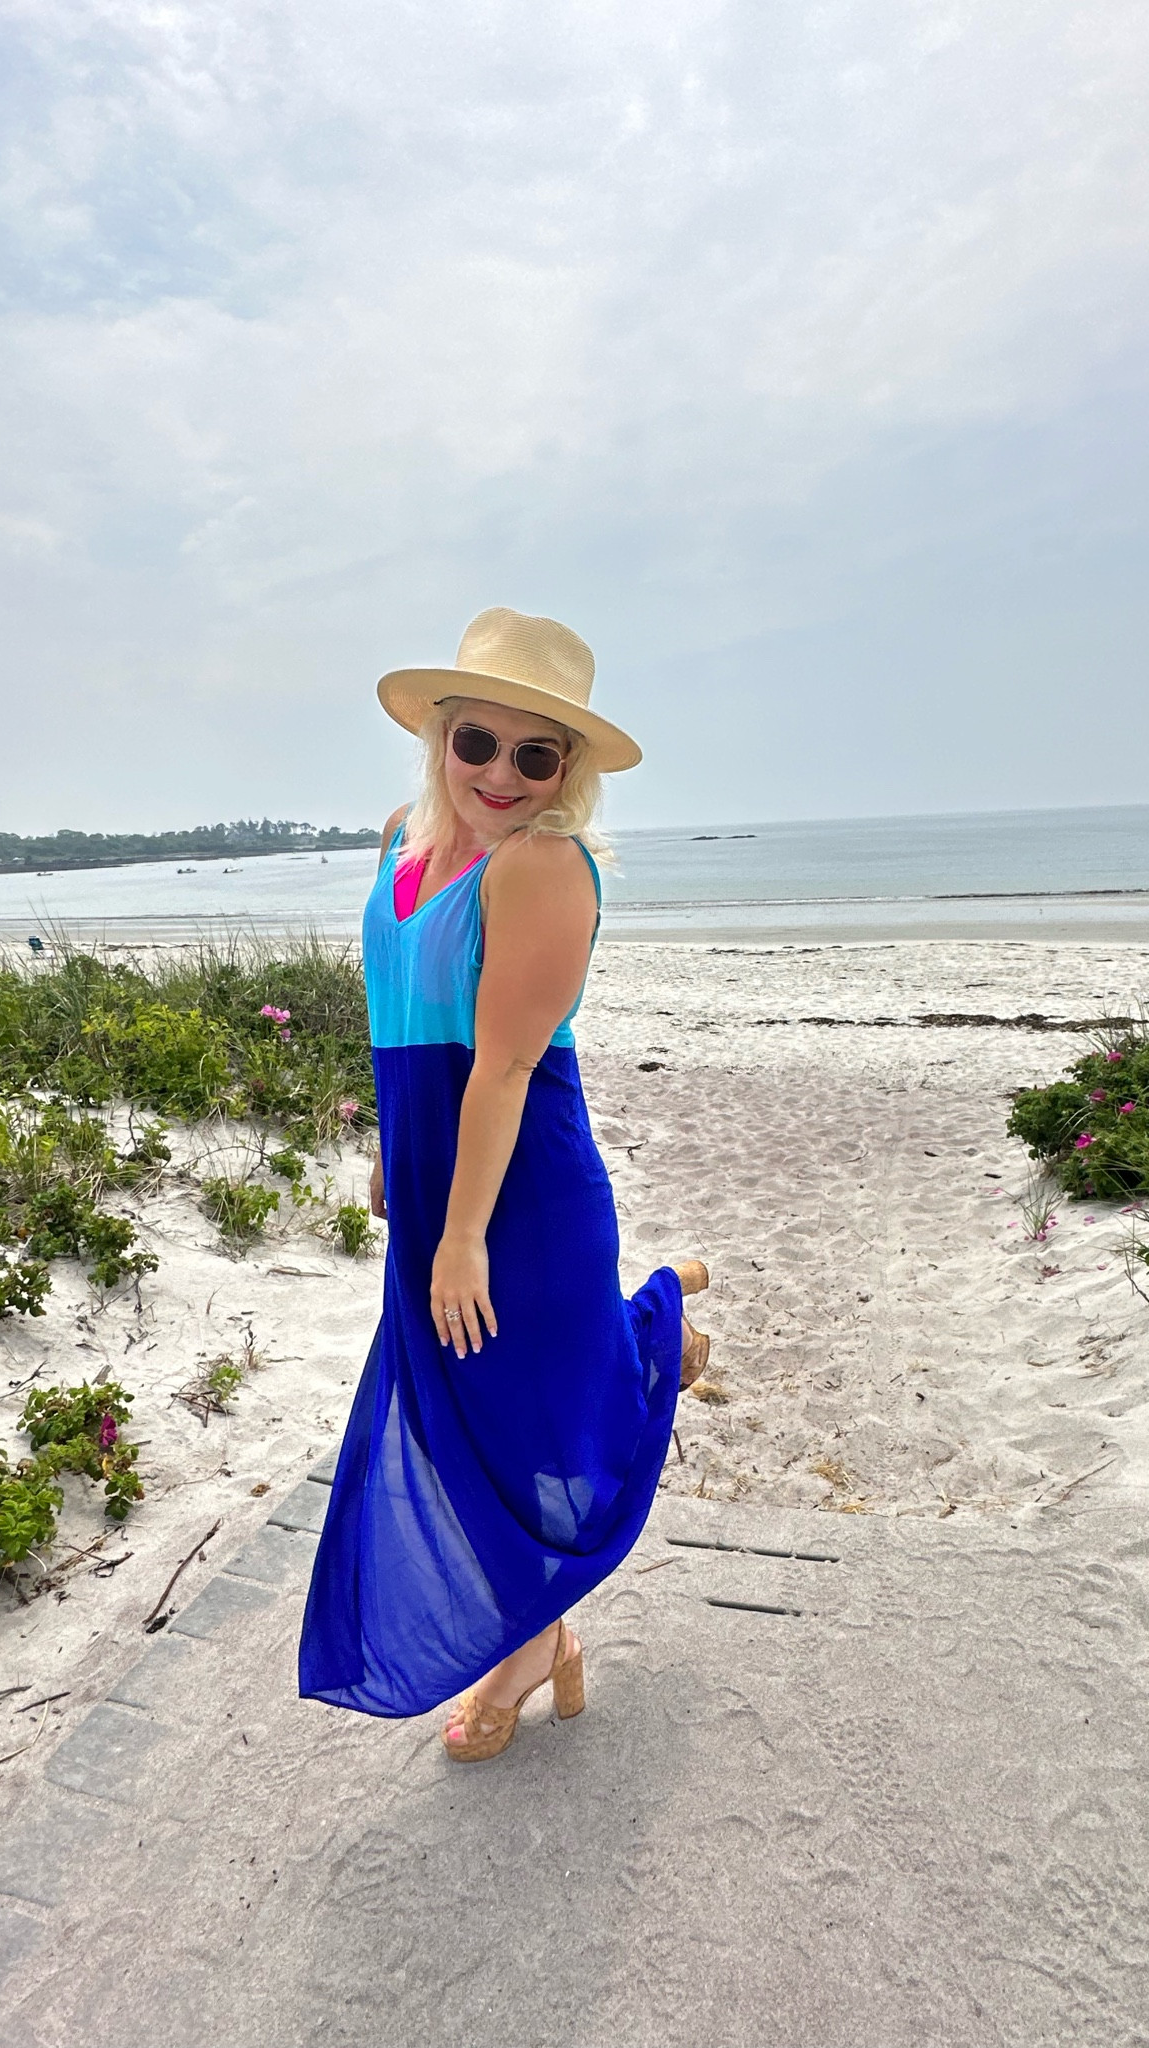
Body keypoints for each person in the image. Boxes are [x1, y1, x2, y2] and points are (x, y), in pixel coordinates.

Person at [299, 607, 710, 1762]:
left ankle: (528, 1643)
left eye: (539, 754)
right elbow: (399, 1012)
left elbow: (507, 1064)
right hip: (445, 1174)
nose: (501, 773)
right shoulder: (397, 843)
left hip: (517, 1188)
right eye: (478, 741)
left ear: (569, 770)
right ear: (439, 734)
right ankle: (653, 1325)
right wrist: (395, 1148)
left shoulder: (543, 866)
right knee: (465, 1413)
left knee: (521, 1418)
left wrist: (465, 1232)